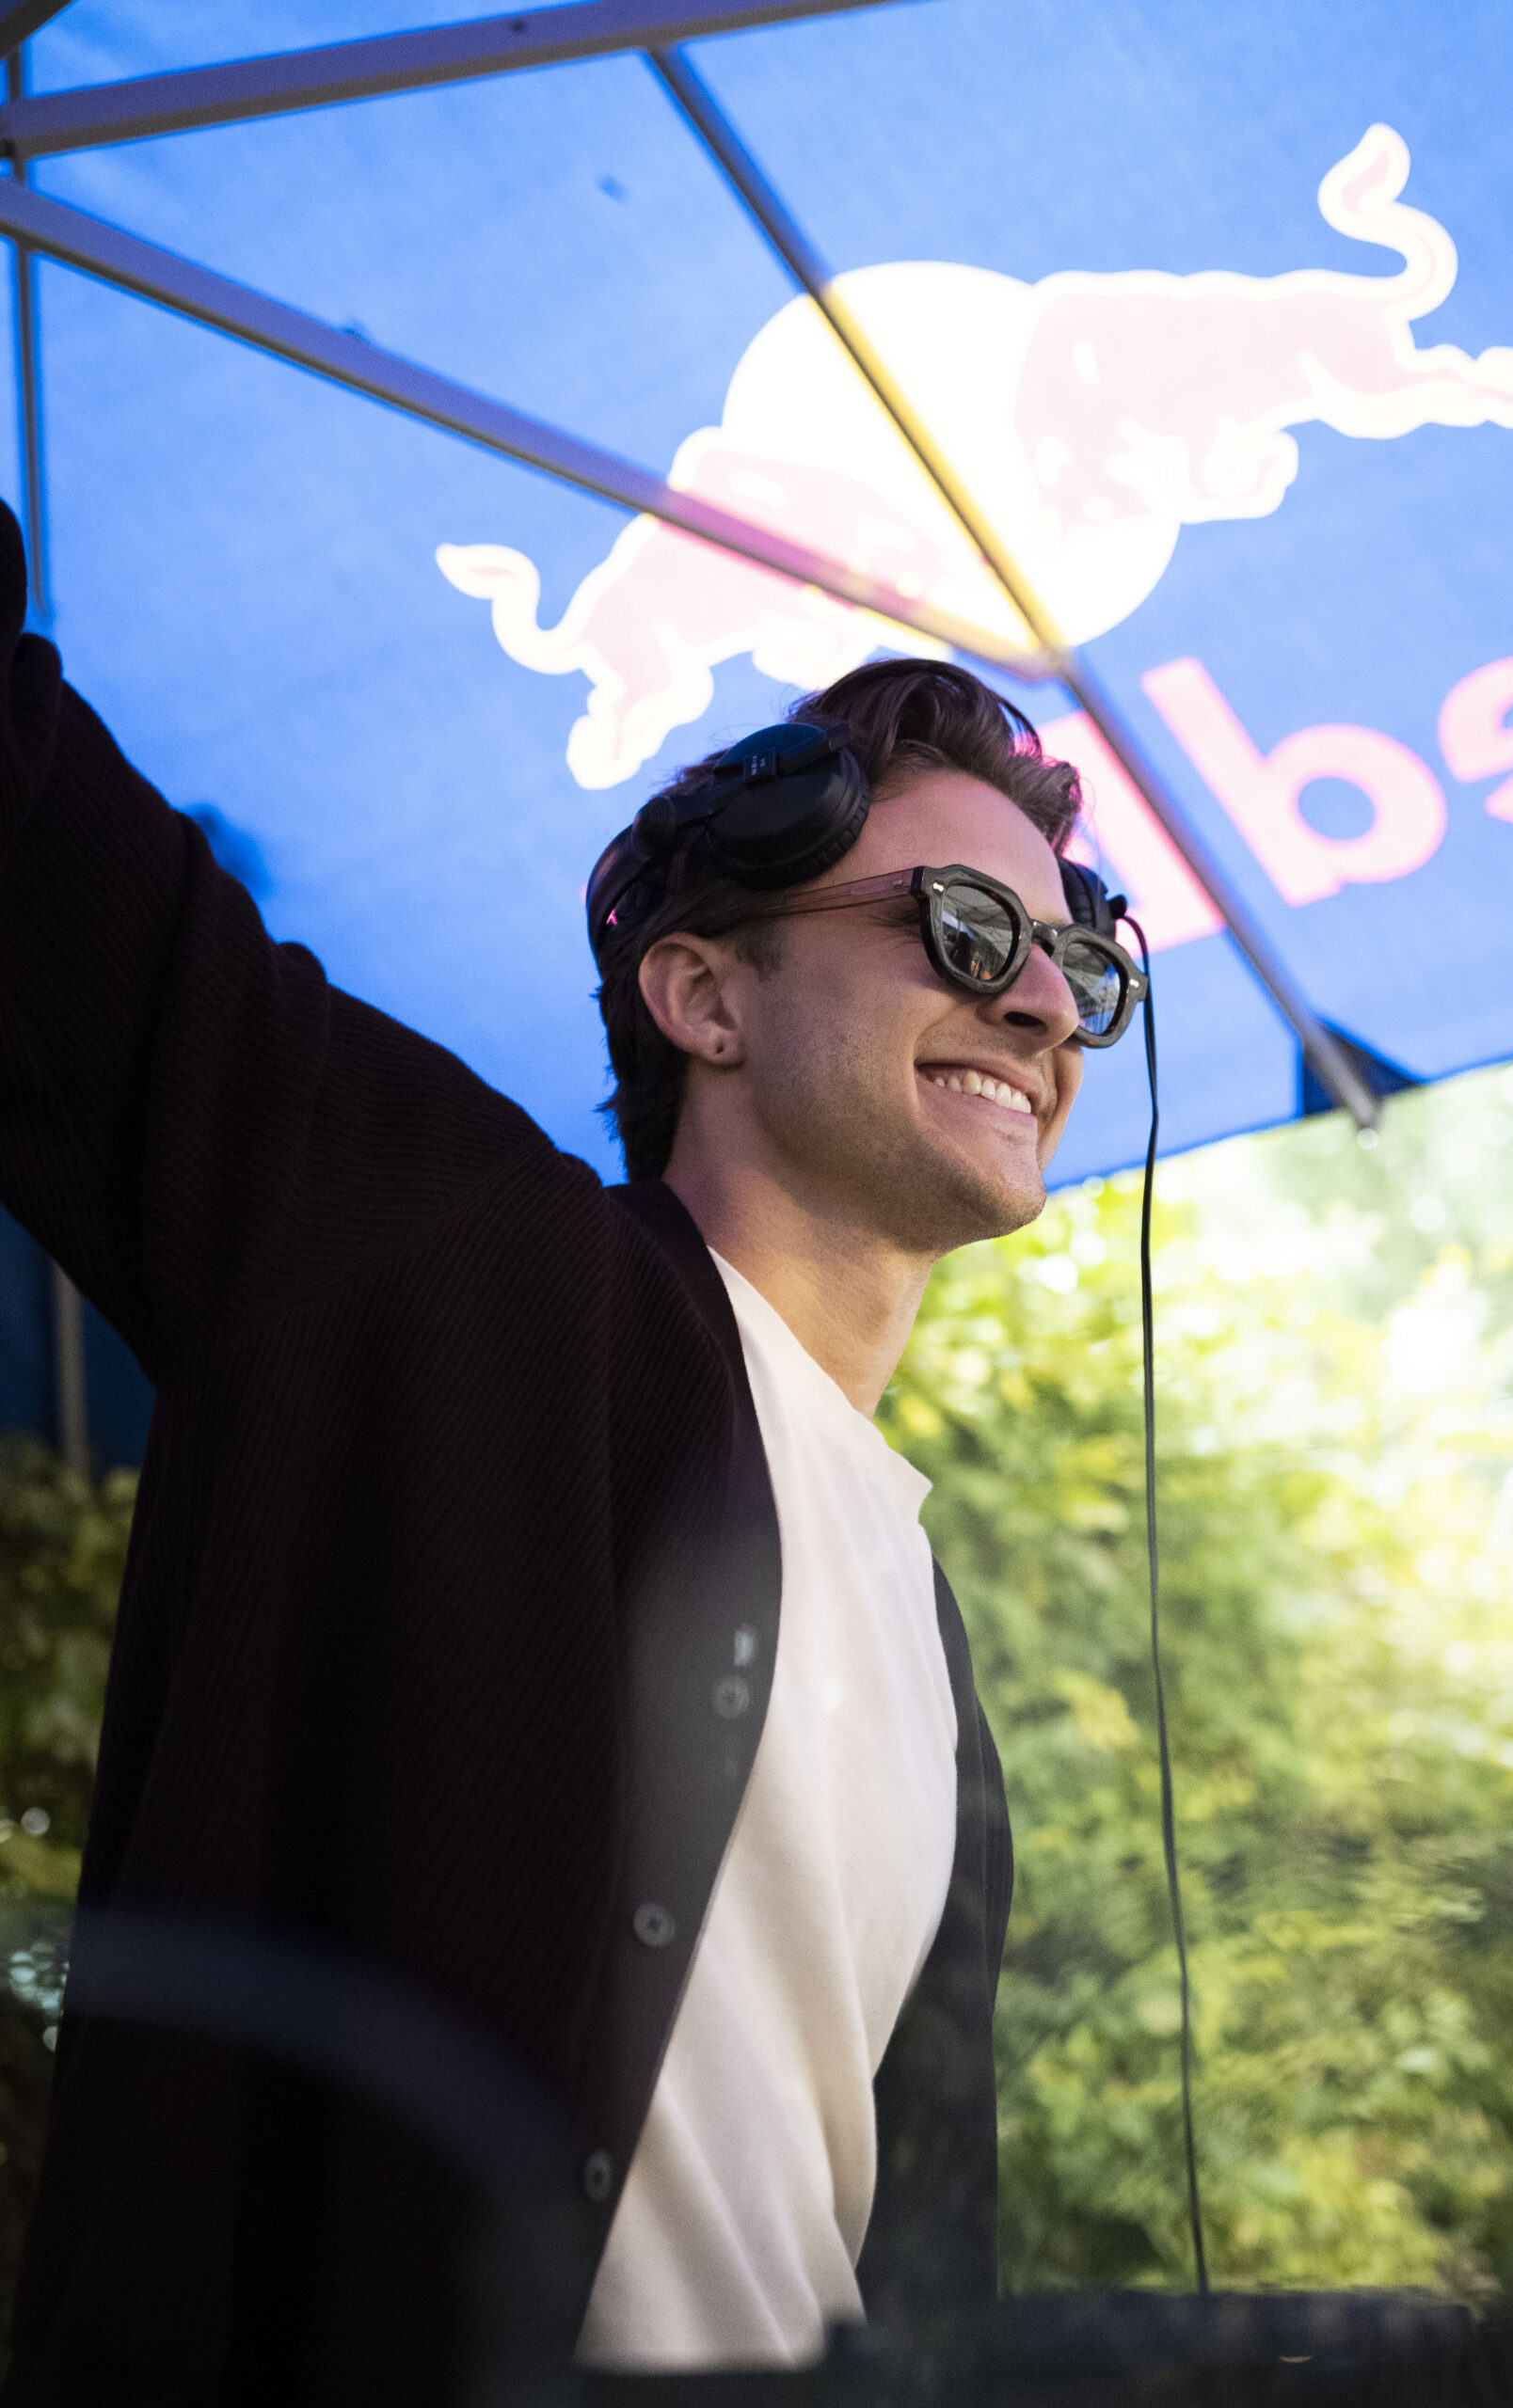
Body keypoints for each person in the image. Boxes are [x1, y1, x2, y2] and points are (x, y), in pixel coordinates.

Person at [0, 495, 1143, 2404]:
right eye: (962, 929)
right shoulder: (449, 1264)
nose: (1039, 1003)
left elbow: (919, 2282)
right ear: (703, 993)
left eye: (1076, 962)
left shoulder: (925, 1628)